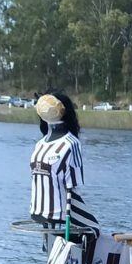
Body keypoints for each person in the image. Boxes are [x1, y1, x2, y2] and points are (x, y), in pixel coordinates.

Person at [29, 91, 99, 235]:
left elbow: (71, 187)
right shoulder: (59, 144)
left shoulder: (49, 145)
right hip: (52, 213)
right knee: (94, 229)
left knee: (92, 229)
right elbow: (74, 186)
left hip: (48, 212)